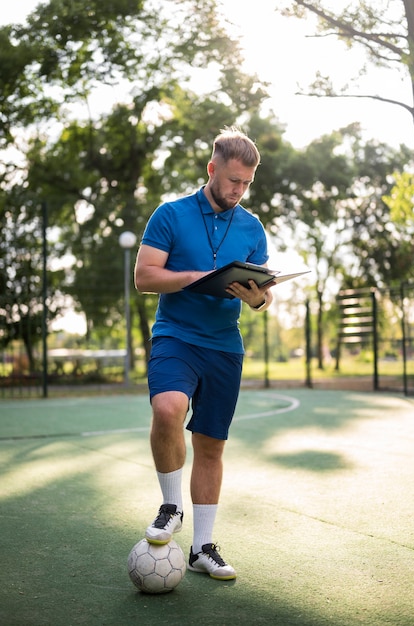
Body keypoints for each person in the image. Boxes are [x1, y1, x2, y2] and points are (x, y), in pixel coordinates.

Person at [134, 126, 273, 581]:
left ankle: (201, 549)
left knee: (211, 446)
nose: (238, 190)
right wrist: (190, 277)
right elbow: (145, 276)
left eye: (246, 183)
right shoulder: (170, 215)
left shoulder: (253, 228)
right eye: (233, 180)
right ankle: (170, 507)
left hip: (224, 346)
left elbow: (262, 297)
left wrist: (256, 298)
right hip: (176, 335)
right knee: (168, 407)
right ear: (212, 169)